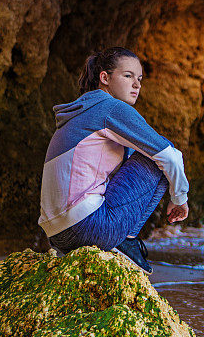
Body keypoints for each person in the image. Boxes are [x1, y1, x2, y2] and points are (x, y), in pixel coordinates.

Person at [38, 46, 189, 275]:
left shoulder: (82, 110)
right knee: (157, 153)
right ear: (105, 78)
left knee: (136, 152)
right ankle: (126, 240)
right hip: (88, 228)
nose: (137, 85)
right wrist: (179, 198)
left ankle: (123, 240)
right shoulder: (111, 108)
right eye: (128, 76)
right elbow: (171, 157)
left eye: (139, 78)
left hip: (56, 236)